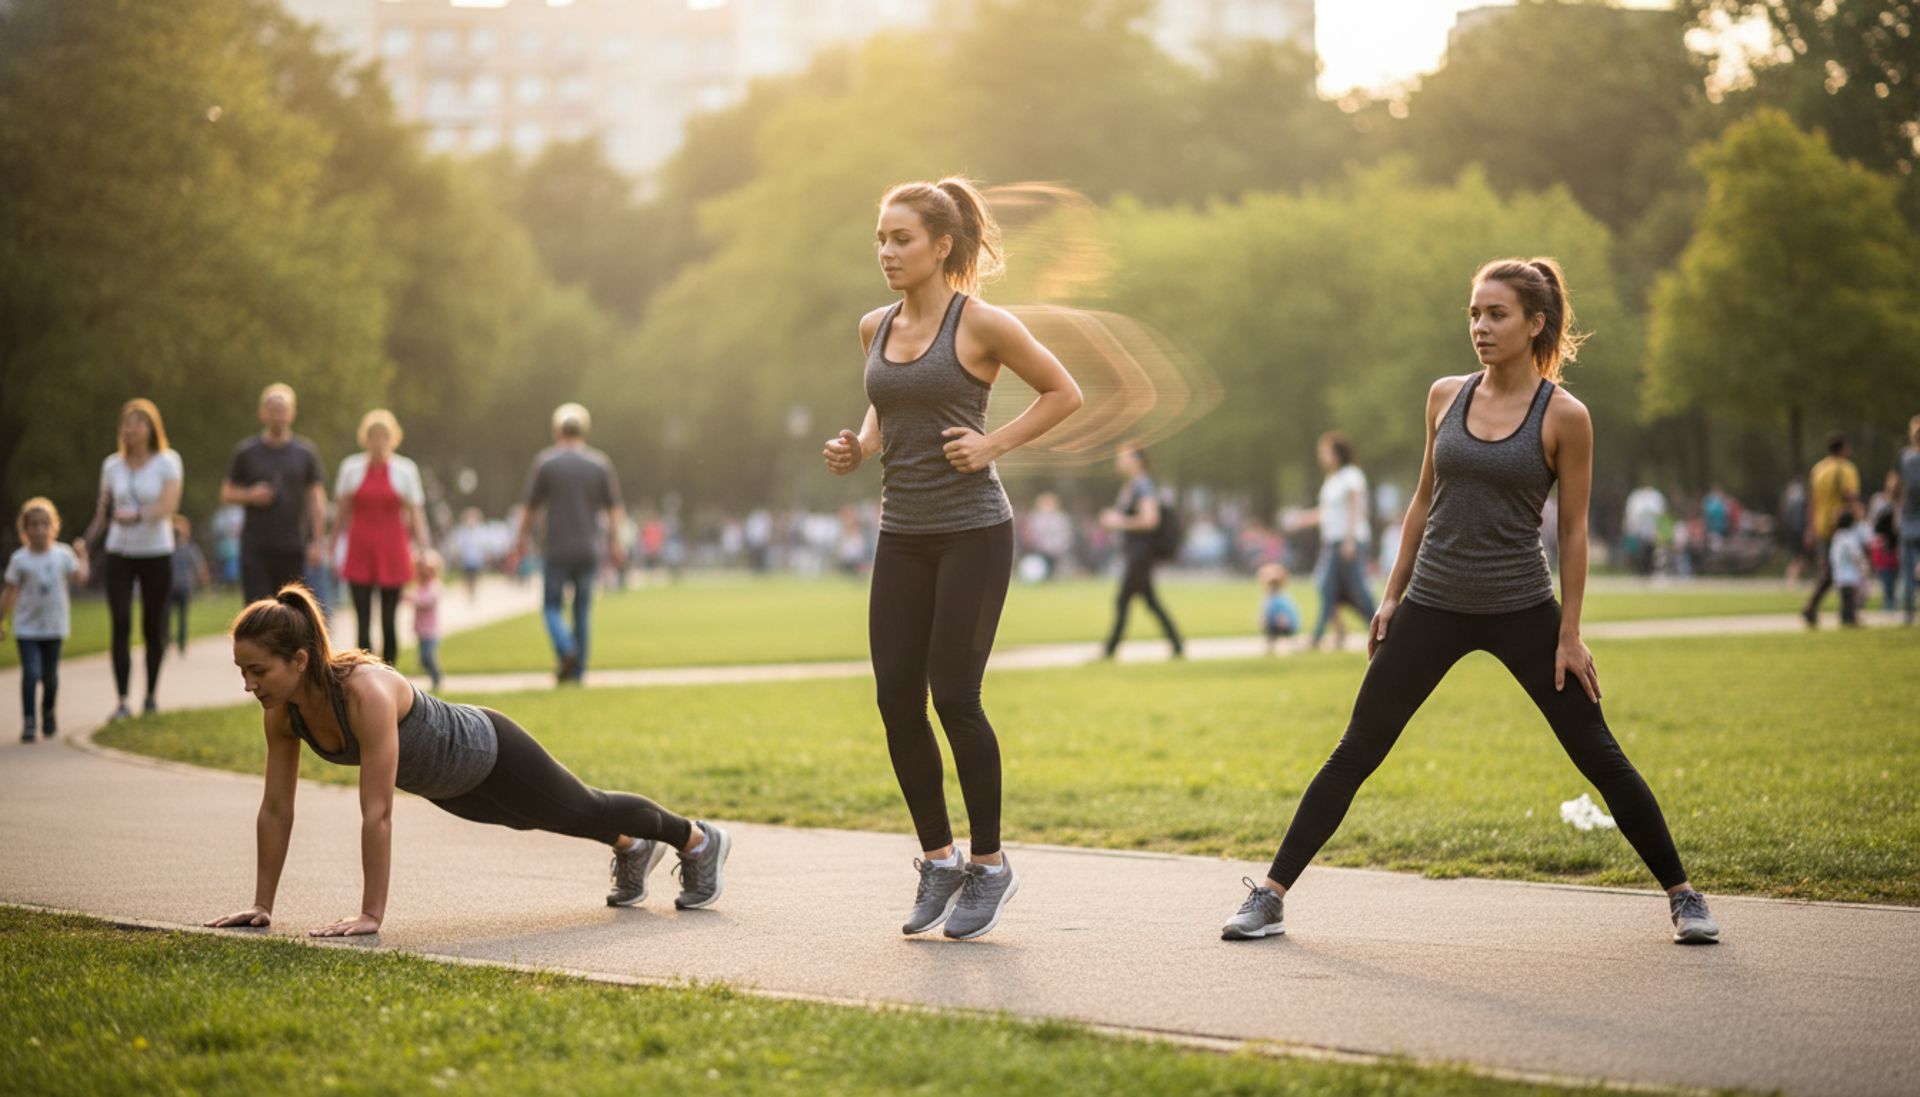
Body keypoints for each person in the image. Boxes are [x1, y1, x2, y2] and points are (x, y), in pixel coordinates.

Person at [1220, 257, 1719, 946]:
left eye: (1496, 314)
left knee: (1598, 752)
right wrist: (1391, 596)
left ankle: (1685, 896)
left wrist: (1569, 634)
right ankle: (1270, 895)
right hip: (1433, 602)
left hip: (1522, 608)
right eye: (1474, 314)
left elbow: (1573, 532)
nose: (1481, 327)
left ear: (1535, 322)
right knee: (1356, 749)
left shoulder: (1565, 416)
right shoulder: (1444, 396)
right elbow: (1424, 502)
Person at [823, 176, 1082, 940]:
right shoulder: (874, 326)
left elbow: (1061, 391)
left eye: (901, 239)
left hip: (973, 531)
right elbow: (886, 402)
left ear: (941, 245)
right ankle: (939, 858)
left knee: (955, 698)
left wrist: (992, 443)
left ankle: (991, 865)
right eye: (880, 238)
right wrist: (859, 444)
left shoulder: (982, 325)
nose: (887, 252)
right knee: (895, 697)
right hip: (901, 532)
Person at [204, 584, 728, 937]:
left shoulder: (365, 693)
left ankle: (698, 840)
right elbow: (275, 809)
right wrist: (261, 905)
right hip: (448, 785)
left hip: (488, 749)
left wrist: (371, 913)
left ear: (298, 660)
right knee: (541, 818)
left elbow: (378, 812)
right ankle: (631, 846)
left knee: (582, 807)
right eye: (241, 672)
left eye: (258, 671)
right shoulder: (283, 711)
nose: (249, 685)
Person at [83, 398, 182, 719]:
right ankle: (122, 699)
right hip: (119, 552)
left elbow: (168, 506)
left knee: (153, 625)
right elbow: (103, 510)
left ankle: (151, 696)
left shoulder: (168, 462)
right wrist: (86, 541)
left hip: (156, 551)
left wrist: (138, 514)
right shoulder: (111, 465)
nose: (130, 429)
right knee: (121, 623)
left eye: (138, 423)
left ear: (150, 428)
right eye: (126, 423)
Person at [512, 403, 624, 685]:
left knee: (551, 605)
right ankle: (578, 670)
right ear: (584, 430)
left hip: (557, 547)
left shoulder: (547, 463)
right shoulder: (599, 464)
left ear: (557, 430)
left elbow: (529, 507)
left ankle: (567, 648)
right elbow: (614, 510)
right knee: (582, 609)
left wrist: (520, 540)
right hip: (588, 547)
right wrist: (615, 542)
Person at [334, 409, 430, 666]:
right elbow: (342, 512)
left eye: (384, 436)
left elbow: (416, 514)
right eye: (373, 436)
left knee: (389, 618)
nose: (378, 441)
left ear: (393, 438)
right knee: (362, 617)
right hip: (360, 548)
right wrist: (331, 546)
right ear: (365, 438)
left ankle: (390, 671)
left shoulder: (405, 470)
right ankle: (364, 673)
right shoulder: (351, 468)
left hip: (393, 550)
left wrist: (424, 549)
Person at [222, 383, 328, 604]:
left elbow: (316, 498)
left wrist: (316, 541)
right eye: (272, 410)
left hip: (294, 546)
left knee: (292, 612)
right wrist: (251, 495)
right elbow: (227, 493)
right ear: (262, 413)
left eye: (282, 410)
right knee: (257, 610)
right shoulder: (246, 452)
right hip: (255, 547)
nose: (277, 415)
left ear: (292, 413)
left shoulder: (305, 453)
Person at [2, 498, 89, 741]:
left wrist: (82, 556)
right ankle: (29, 721)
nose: (39, 529)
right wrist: (1, 620)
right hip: (27, 627)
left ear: (53, 527)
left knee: (50, 677)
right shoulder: (20, 560)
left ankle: (48, 712)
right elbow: (10, 592)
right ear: (25, 529)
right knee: (30, 673)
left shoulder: (63, 555)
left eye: (44, 524)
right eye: (34, 525)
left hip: (54, 626)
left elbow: (81, 578)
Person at [1099, 445, 1184, 659]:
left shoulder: (1144, 485)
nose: (1119, 461)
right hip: (1135, 552)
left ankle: (1110, 649)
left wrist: (1118, 522)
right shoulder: (1132, 486)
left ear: (1137, 460)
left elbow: (1150, 520)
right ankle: (1177, 644)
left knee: (1123, 599)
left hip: (1141, 553)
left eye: (1123, 457)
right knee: (1150, 600)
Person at [1297, 431, 1376, 650]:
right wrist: (1304, 519)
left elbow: (1355, 508)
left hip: (1347, 541)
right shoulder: (1332, 480)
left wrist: (1350, 539)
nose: (1322, 456)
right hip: (1332, 541)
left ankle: (1380, 627)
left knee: (1356, 590)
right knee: (1327, 587)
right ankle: (1328, 634)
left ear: (1338, 453)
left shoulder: (1352, 475)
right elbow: (1327, 512)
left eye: (1325, 452)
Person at [1800, 433, 1861, 628]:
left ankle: (1813, 607)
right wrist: (1860, 516)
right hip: (1841, 525)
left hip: (1821, 525)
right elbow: (1850, 495)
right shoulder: (1845, 469)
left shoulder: (1819, 469)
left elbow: (1813, 501)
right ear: (1842, 448)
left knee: (1830, 570)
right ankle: (1847, 614)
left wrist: (1809, 527)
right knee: (1846, 569)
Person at [167, 515, 212, 654]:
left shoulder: (170, 549)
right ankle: (176, 643)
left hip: (175, 587)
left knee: (173, 617)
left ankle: (173, 642)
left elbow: (199, 567)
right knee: (179, 617)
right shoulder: (188, 548)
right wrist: (205, 583)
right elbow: (200, 567)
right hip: (179, 586)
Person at [1829, 510, 1869, 628]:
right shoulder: (1850, 537)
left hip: (1839, 573)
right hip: (1850, 574)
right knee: (1850, 600)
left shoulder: (1837, 537)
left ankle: (1845, 617)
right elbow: (1855, 555)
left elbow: (1833, 555)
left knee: (1845, 599)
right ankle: (1849, 618)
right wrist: (1862, 566)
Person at [1898, 416, 1920, 626]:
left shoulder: (1905, 458)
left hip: (1909, 518)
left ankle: (1908, 612)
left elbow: (1899, 489)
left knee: (1907, 569)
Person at [412, 550, 444, 692]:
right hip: (421, 630)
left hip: (431, 631)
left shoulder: (434, 586)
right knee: (423, 659)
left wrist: (412, 599)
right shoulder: (421, 587)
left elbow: (426, 602)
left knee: (427, 657)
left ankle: (437, 677)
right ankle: (435, 678)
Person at [1257, 563, 1300, 656]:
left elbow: (1282, 615)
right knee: (1269, 627)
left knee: (1271, 630)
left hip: (1283, 625)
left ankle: (1271, 644)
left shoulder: (1276, 599)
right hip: (1282, 624)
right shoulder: (1279, 597)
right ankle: (1274, 643)